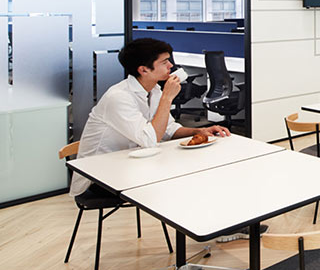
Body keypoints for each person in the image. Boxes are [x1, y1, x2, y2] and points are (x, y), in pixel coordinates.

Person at [70, 38, 230, 198]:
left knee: (192, 170)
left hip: (130, 164)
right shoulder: (118, 97)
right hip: (99, 177)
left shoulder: (154, 90)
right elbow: (149, 140)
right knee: (180, 181)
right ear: (144, 70)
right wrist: (167, 98)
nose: (171, 66)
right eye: (164, 62)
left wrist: (201, 130)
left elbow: (169, 130)